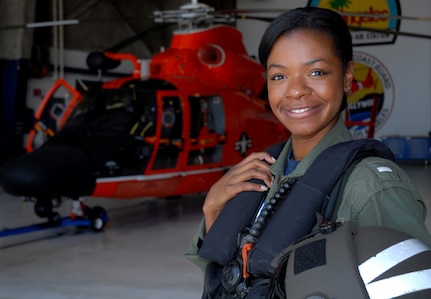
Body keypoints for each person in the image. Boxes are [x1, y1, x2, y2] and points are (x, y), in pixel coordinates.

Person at [185, 6, 431, 299]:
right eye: (279, 77)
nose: (296, 91)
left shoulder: (370, 186)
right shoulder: (262, 170)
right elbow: (224, 282)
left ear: (348, 77)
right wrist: (212, 209)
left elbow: (411, 285)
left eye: (316, 72)